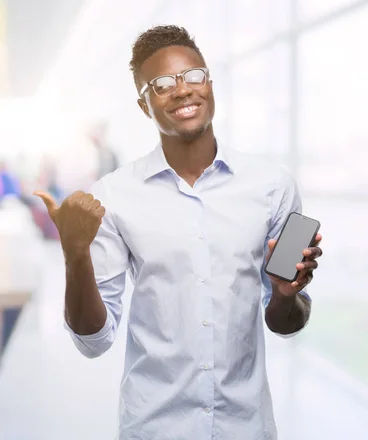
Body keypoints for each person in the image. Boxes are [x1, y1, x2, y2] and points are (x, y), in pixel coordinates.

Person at [34, 25, 322, 439]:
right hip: (153, 427)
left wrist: (283, 293)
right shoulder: (114, 195)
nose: (183, 90)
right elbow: (93, 342)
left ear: (210, 84)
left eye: (193, 76)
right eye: (162, 84)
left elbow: (287, 322)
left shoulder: (273, 187)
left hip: (246, 426)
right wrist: (75, 256)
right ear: (144, 105)